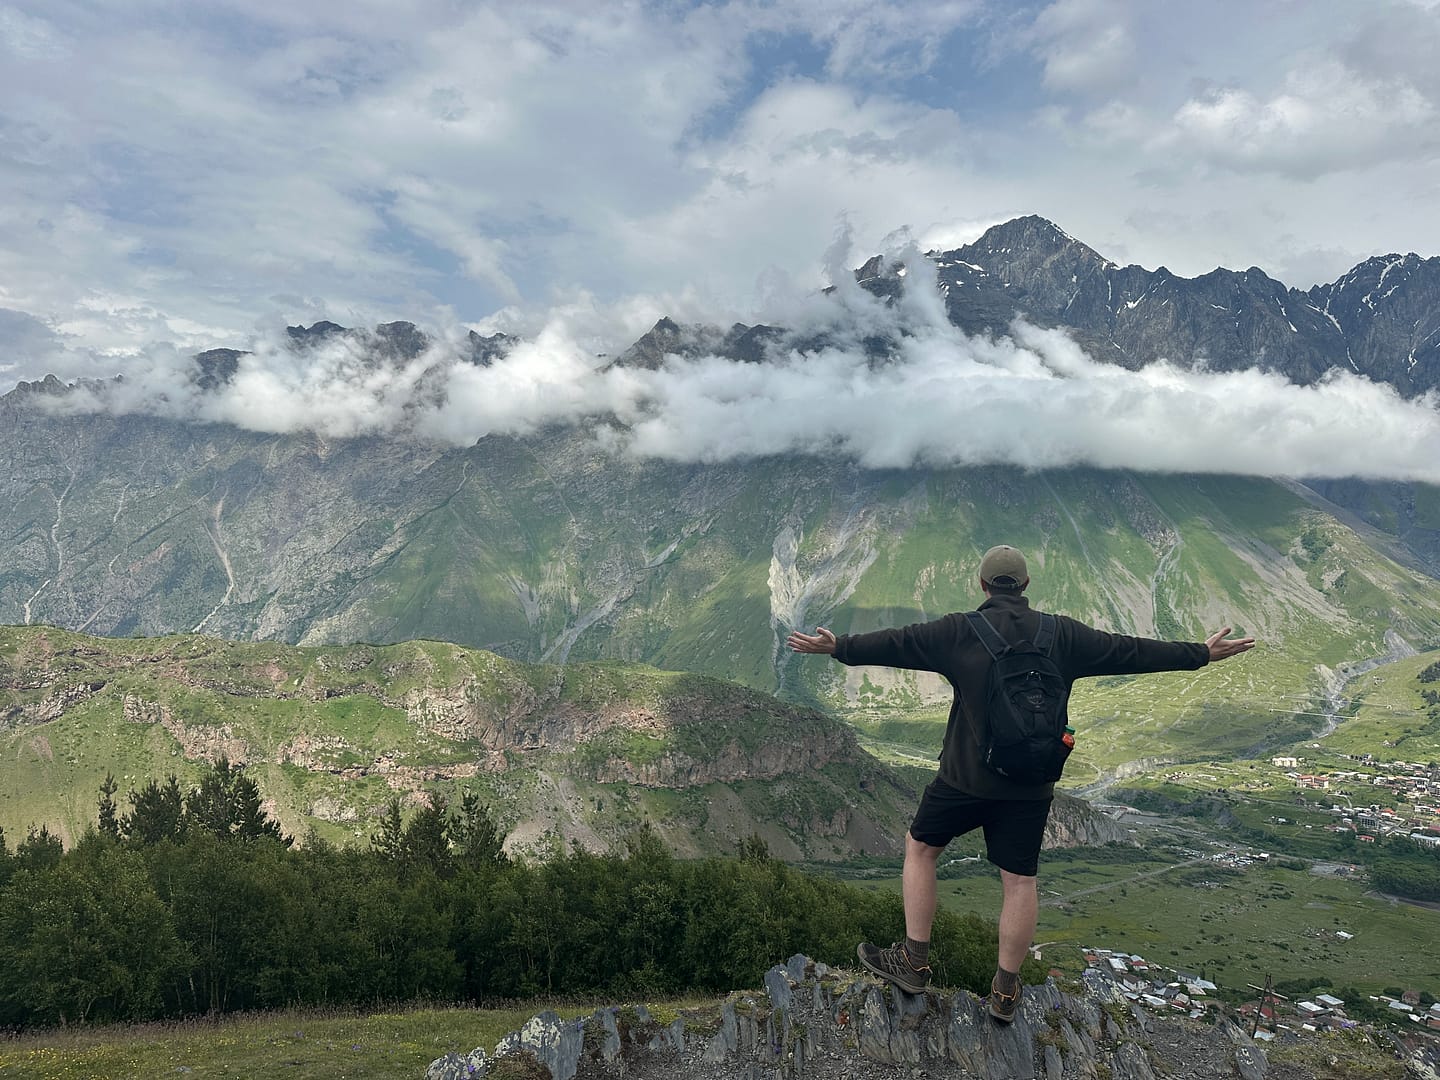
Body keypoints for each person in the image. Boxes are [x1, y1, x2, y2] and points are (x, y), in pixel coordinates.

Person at [786, 544, 1255, 1021]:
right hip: (1030, 785)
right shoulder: (1063, 634)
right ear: (1026, 586)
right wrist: (1199, 653)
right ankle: (1006, 993)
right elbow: (1129, 650)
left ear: (983, 586)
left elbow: (898, 642)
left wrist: (839, 646)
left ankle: (913, 961)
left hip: (964, 779)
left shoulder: (959, 631)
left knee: (921, 849)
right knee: (1019, 881)